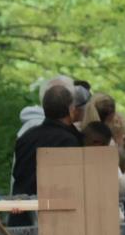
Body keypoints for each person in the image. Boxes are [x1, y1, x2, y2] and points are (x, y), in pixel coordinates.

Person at [10, 84, 84, 226]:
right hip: (51, 221)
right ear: (70, 109)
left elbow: (17, 174)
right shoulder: (69, 141)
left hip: (20, 216)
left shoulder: (26, 137)